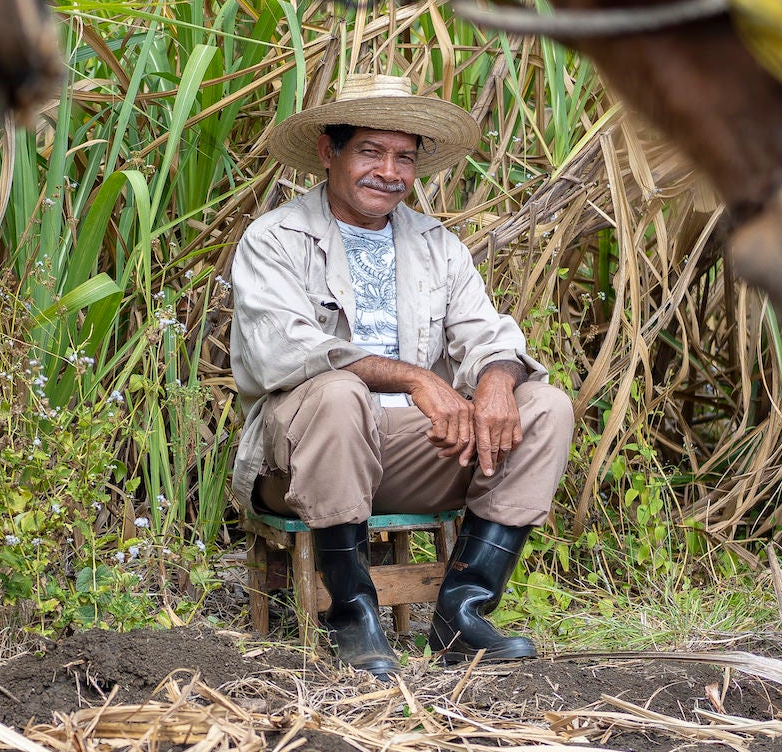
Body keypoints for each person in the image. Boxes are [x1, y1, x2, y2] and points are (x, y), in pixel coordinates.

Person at [229, 74, 573, 680]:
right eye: (370, 151)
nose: (388, 172)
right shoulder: (276, 239)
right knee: (339, 392)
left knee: (545, 404)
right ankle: (352, 614)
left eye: (404, 158)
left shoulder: (436, 244)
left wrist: (494, 379)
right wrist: (417, 378)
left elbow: (486, 332)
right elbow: (285, 349)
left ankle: (462, 613)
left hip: (413, 454)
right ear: (328, 152)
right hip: (303, 460)